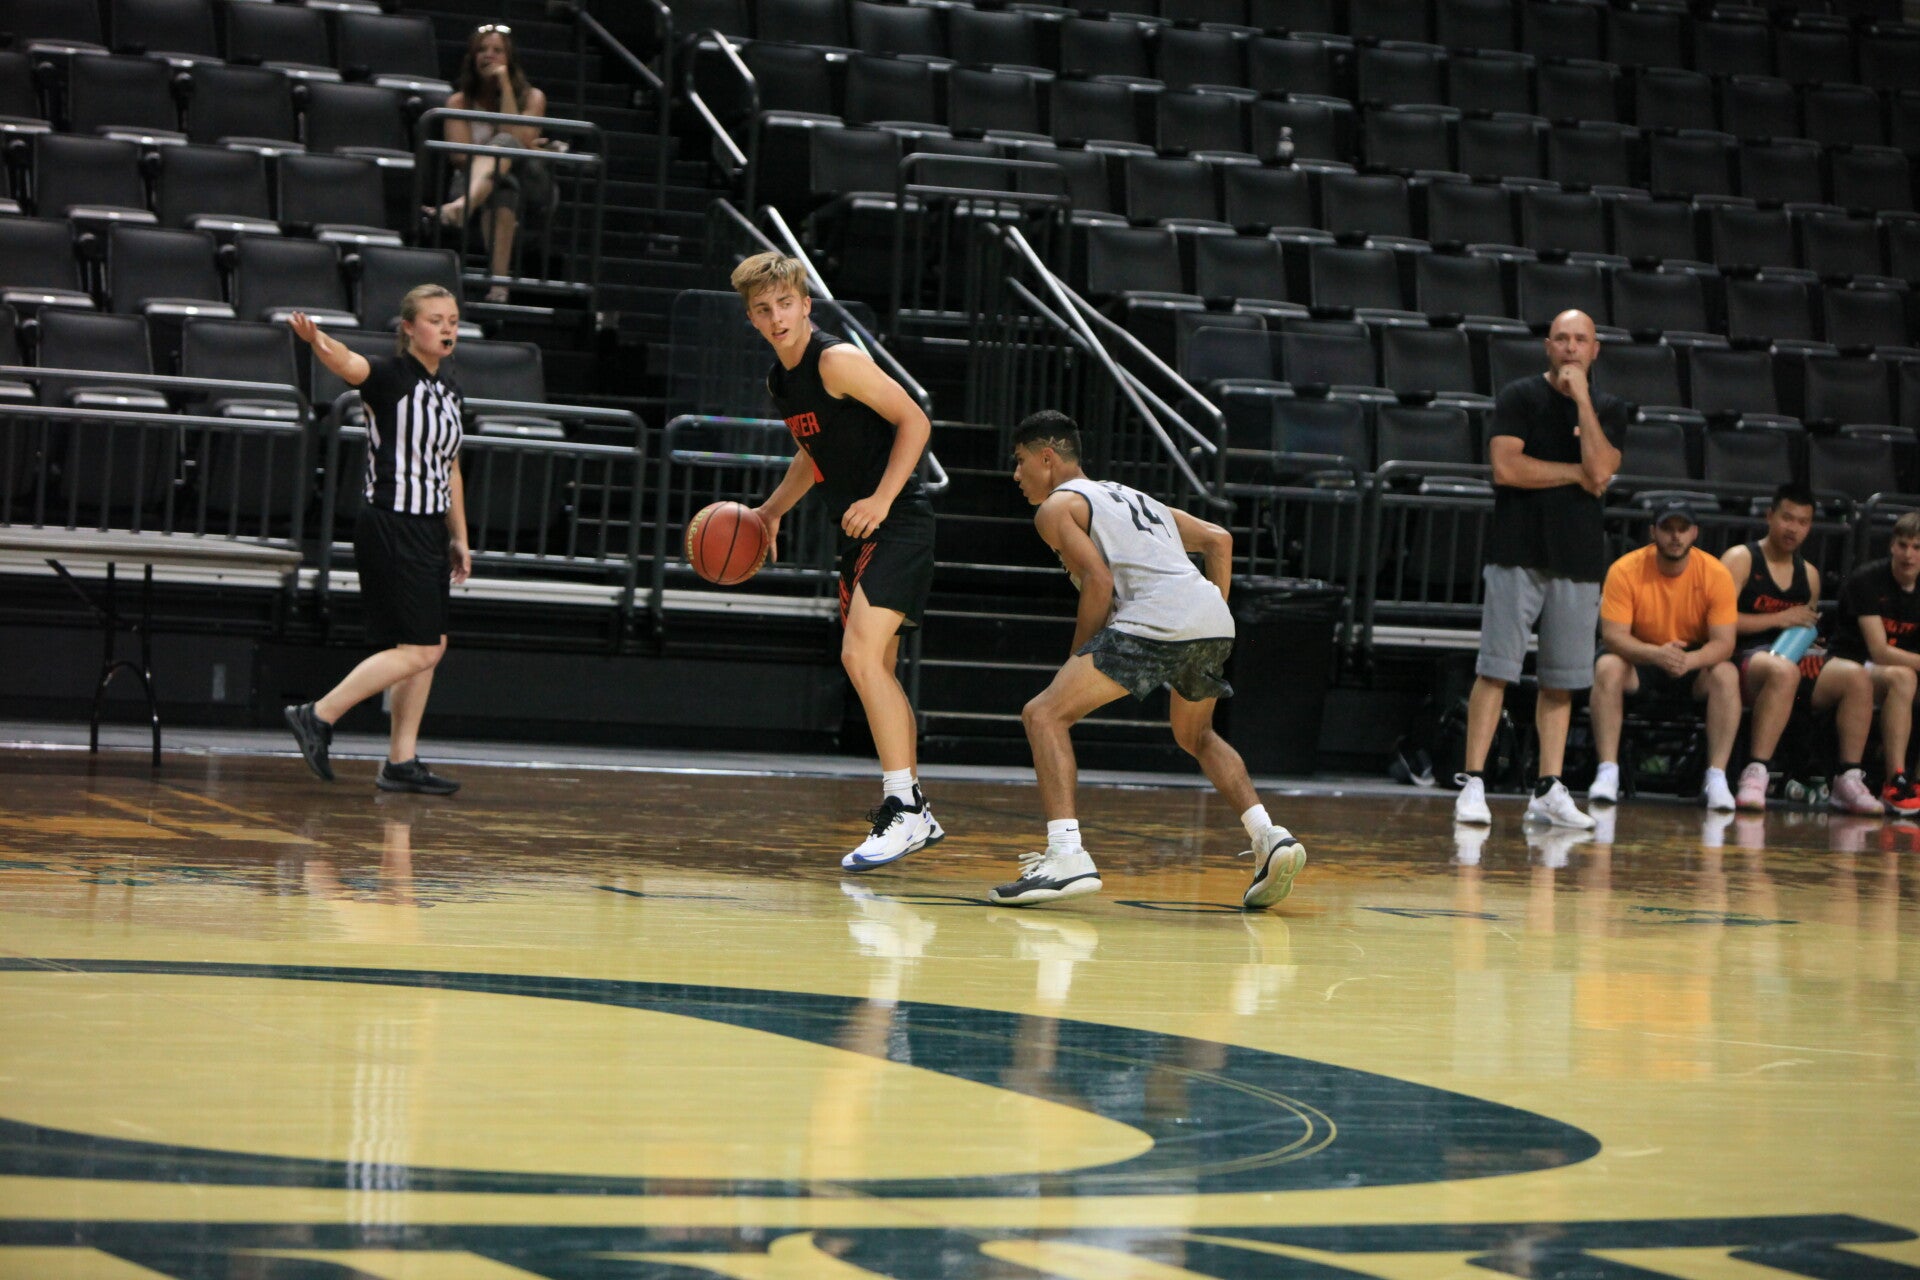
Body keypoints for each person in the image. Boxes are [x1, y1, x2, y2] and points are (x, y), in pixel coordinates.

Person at [995, 410, 1306, 910]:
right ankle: (1269, 836)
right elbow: (1218, 539)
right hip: (1211, 619)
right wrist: (1207, 615)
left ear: (1047, 458)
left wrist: (1078, 656)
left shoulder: (1056, 508)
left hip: (1158, 619)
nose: (1016, 474)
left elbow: (1098, 581)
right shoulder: (1131, 496)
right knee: (1196, 736)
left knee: (1043, 714)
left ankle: (1066, 856)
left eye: (1020, 460)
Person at [731, 251, 944, 870]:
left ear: (806, 305)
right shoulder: (781, 382)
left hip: (897, 522)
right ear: (752, 319)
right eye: (763, 310)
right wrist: (771, 512)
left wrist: (881, 499)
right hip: (858, 532)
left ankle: (904, 807)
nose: (777, 318)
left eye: (785, 304)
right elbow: (812, 453)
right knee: (878, 669)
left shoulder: (836, 360)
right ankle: (913, 809)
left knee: (859, 656)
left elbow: (915, 420)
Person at [283, 285, 470, 795]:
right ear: (408, 327)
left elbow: (450, 468)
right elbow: (348, 363)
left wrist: (459, 536)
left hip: (429, 528)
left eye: (453, 320)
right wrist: (316, 340)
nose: (447, 328)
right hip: (392, 521)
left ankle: (400, 762)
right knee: (420, 649)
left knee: (430, 645)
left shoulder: (450, 390)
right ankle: (317, 715)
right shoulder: (390, 377)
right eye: (436, 320)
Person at [1454, 310, 1624, 830]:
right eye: (1562, 339)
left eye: (1581, 340)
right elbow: (1507, 468)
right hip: (1517, 552)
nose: (1571, 348)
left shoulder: (1608, 407)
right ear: (1548, 346)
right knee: (1496, 669)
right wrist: (1574, 472)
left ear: (1595, 350)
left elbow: (1602, 468)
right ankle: (1473, 782)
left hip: (1578, 560)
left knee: (1561, 682)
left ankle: (1548, 789)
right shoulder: (1519, 397)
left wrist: (1584, 402)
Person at [1720, 484, 1879, 814]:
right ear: (1770, 516)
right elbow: (1719, 623)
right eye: (1787, 518)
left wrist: (1808, 638)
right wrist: (1778, 618)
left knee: (1856, 676)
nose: (1793, 528)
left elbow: (1801, 624)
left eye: (1803, 522)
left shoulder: (1809, 575)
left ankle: (1847, 778)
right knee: (1782, 671)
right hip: (1742, 660)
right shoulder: (1741, 559)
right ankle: (1756, 771)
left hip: (1791, 660)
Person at [1587, 500, 1740, 810]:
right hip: (1639, 656)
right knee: (1607, 667)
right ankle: (1607, 771)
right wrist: (1657, 655)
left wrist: (1689, 660)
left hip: (1692, 659)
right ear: (1652, 532)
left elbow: (1724, 643)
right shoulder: (1624, 570)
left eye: (1682, 529)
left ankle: (1717, 777)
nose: (1675, 536)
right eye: (1668, 528)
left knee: (1727, 674)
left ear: (1694, 533)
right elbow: (1613, 636)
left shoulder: (1716, 573)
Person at [428, 24, 549, 304]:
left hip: (531, 182)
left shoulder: (533, 97)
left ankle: (462, 206)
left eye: (497, 50)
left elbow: (519, 139)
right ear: (472, 58)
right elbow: (459, 157)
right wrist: (498, 155)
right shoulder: (459, 102)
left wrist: (504, 85)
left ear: (510, 58)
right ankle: (499, 287)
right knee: (502, 188)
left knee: (507, 142)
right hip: (473, 179)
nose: (488, 55)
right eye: (482, 50)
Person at [1823, 511, 1920, 814]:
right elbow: (1879, 651)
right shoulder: (1867, 579)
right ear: (1891, 545)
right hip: (1852, 664)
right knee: (1903, 677)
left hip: (1902, 668)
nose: (1908, 554)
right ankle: (1895, 781)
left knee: (1906, 676)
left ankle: (1917, 781)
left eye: (1917, 547)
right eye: (1903, 545)